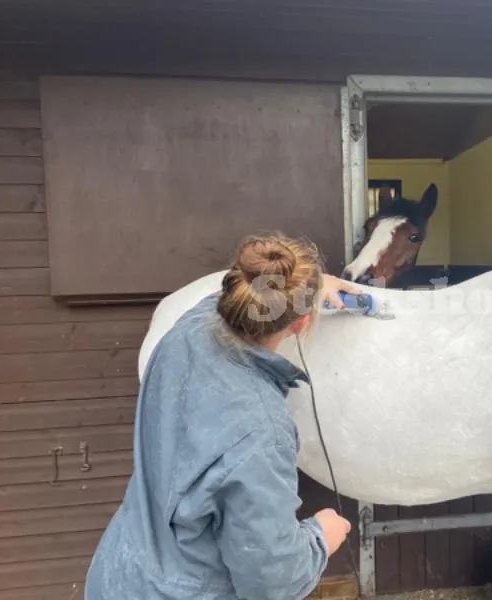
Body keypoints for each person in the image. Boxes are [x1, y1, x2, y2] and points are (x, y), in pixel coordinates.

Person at [85, 235, 361, 600]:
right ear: (300, 323)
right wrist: (320, 538)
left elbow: (226, 297)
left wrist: (310, 284)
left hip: (119, 571)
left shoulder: (188, 328)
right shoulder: (263, 429)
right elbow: (272, 581)